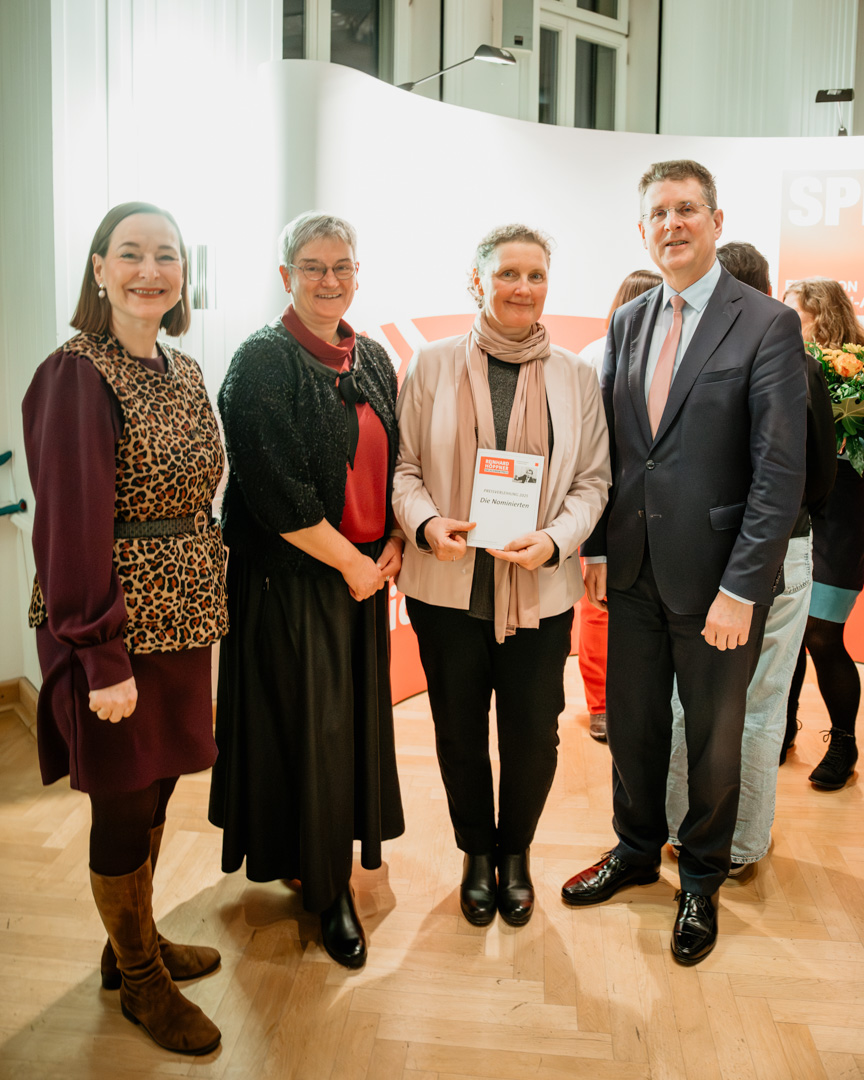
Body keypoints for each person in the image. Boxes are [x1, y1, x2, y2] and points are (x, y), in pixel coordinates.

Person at [561, 160, 807, 965]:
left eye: (687, 209)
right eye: (659, 213)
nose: (673, 224)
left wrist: (743, 586)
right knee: (632, 727)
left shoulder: (766, 323)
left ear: (716, 221)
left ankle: (701, 876)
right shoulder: (629, 322)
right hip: (632, 571)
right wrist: (598, 545)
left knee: (712, 738)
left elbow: (779, 473)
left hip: (717, 583)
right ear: (643, 231)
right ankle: (635, 849)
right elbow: (611, 448)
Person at [22, 202, 227, 1055]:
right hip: (112, 629)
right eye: (131, 254)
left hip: (181, 618)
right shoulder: (76, 375)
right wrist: (101, 655)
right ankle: (142, 981)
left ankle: (129, 943)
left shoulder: (182, 369)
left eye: (166, 255)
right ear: (99, 269)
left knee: (160, 784)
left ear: (184, 274)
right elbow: (70, 527)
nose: (151, 270)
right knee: (121, 797)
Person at [392, 224, 611, 928]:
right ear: (477, 281)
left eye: (535, 275)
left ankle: (514, 852)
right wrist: (427, 525)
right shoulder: (430, 365)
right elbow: (404, 469)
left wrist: (555, 540)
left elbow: (594, 481)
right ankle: (475, 855)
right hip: (446, 590)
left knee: (533, 736)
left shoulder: (576, 376)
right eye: (508, 274)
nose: (522, 287)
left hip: (541, 592)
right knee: (458, 733)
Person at [208, 212, 405, 970]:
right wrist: (352, 564)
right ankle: (327, 892)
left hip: (360, 576)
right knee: (309, 732)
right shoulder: (262, 360)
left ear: (358, 275)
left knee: (343, 731)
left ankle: (321, 860)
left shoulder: (373, 356)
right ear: (287, 276)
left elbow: (393, 462)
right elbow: (272, 489)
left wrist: (391, 540)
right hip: (292, 581)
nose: (329, 280)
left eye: (342, 266)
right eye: (314, 266)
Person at [665, 243, 836, 877]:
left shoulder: (692, 358)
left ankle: (683, 832)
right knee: (762, 705)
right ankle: (740, 846)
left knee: (691, 700)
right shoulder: (798, 361)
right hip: (785, 548)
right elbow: (819, 475)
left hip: (710, 550)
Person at [783, 277, 864, 789]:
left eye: (795, 316)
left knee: (820, 633)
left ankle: (844, 743)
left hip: (846, 521)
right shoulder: (786, 367)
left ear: (822, 317)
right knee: (789, 631)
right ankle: (782, 728)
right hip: (798, 518)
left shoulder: (855, 373)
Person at [578, 269, 662, 741]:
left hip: (640, 502)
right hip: (605, 499)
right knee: (598, 604)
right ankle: (601, 704)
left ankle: (619, 703)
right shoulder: (597, 355)